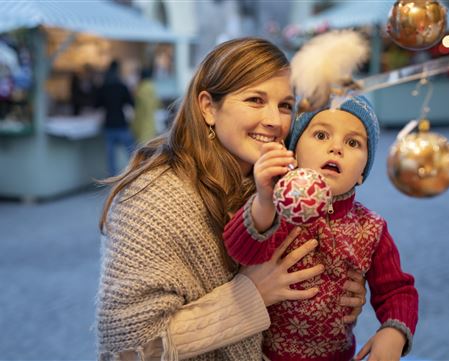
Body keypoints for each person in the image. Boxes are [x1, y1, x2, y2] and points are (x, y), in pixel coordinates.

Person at [96, 38, 368, 361]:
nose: (274, 121)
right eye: (255, 100)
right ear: (208, 107)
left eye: (284, 105)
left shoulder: (275, 182)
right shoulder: (154, 199)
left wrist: (339, 285)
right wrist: (250, 294)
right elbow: (129, 350)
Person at [224, 95, 419, 361]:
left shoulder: (371, 228)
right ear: (293, 151)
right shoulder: (275, 208)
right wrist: (263, 202)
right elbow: (241, 252)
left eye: (353, 143)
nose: (336, 148)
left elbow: (397, 289)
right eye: (321, 135)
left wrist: (394, 332)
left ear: (363, 171)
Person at [95, 59, 135, 176]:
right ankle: (133, 175)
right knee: (132, 152)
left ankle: (112, 181)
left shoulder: (104, 87)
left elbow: (96, 104)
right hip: (121, 123)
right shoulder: (122, 86)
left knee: (111, 157)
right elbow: (131, 103)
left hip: (108, 124)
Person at [131, 68, 159, 144]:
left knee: (142, 147)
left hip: (142, 123)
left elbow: (138, 108)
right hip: (151, 122)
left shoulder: (140, 89)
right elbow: (156, 105)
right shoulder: (152, 88)